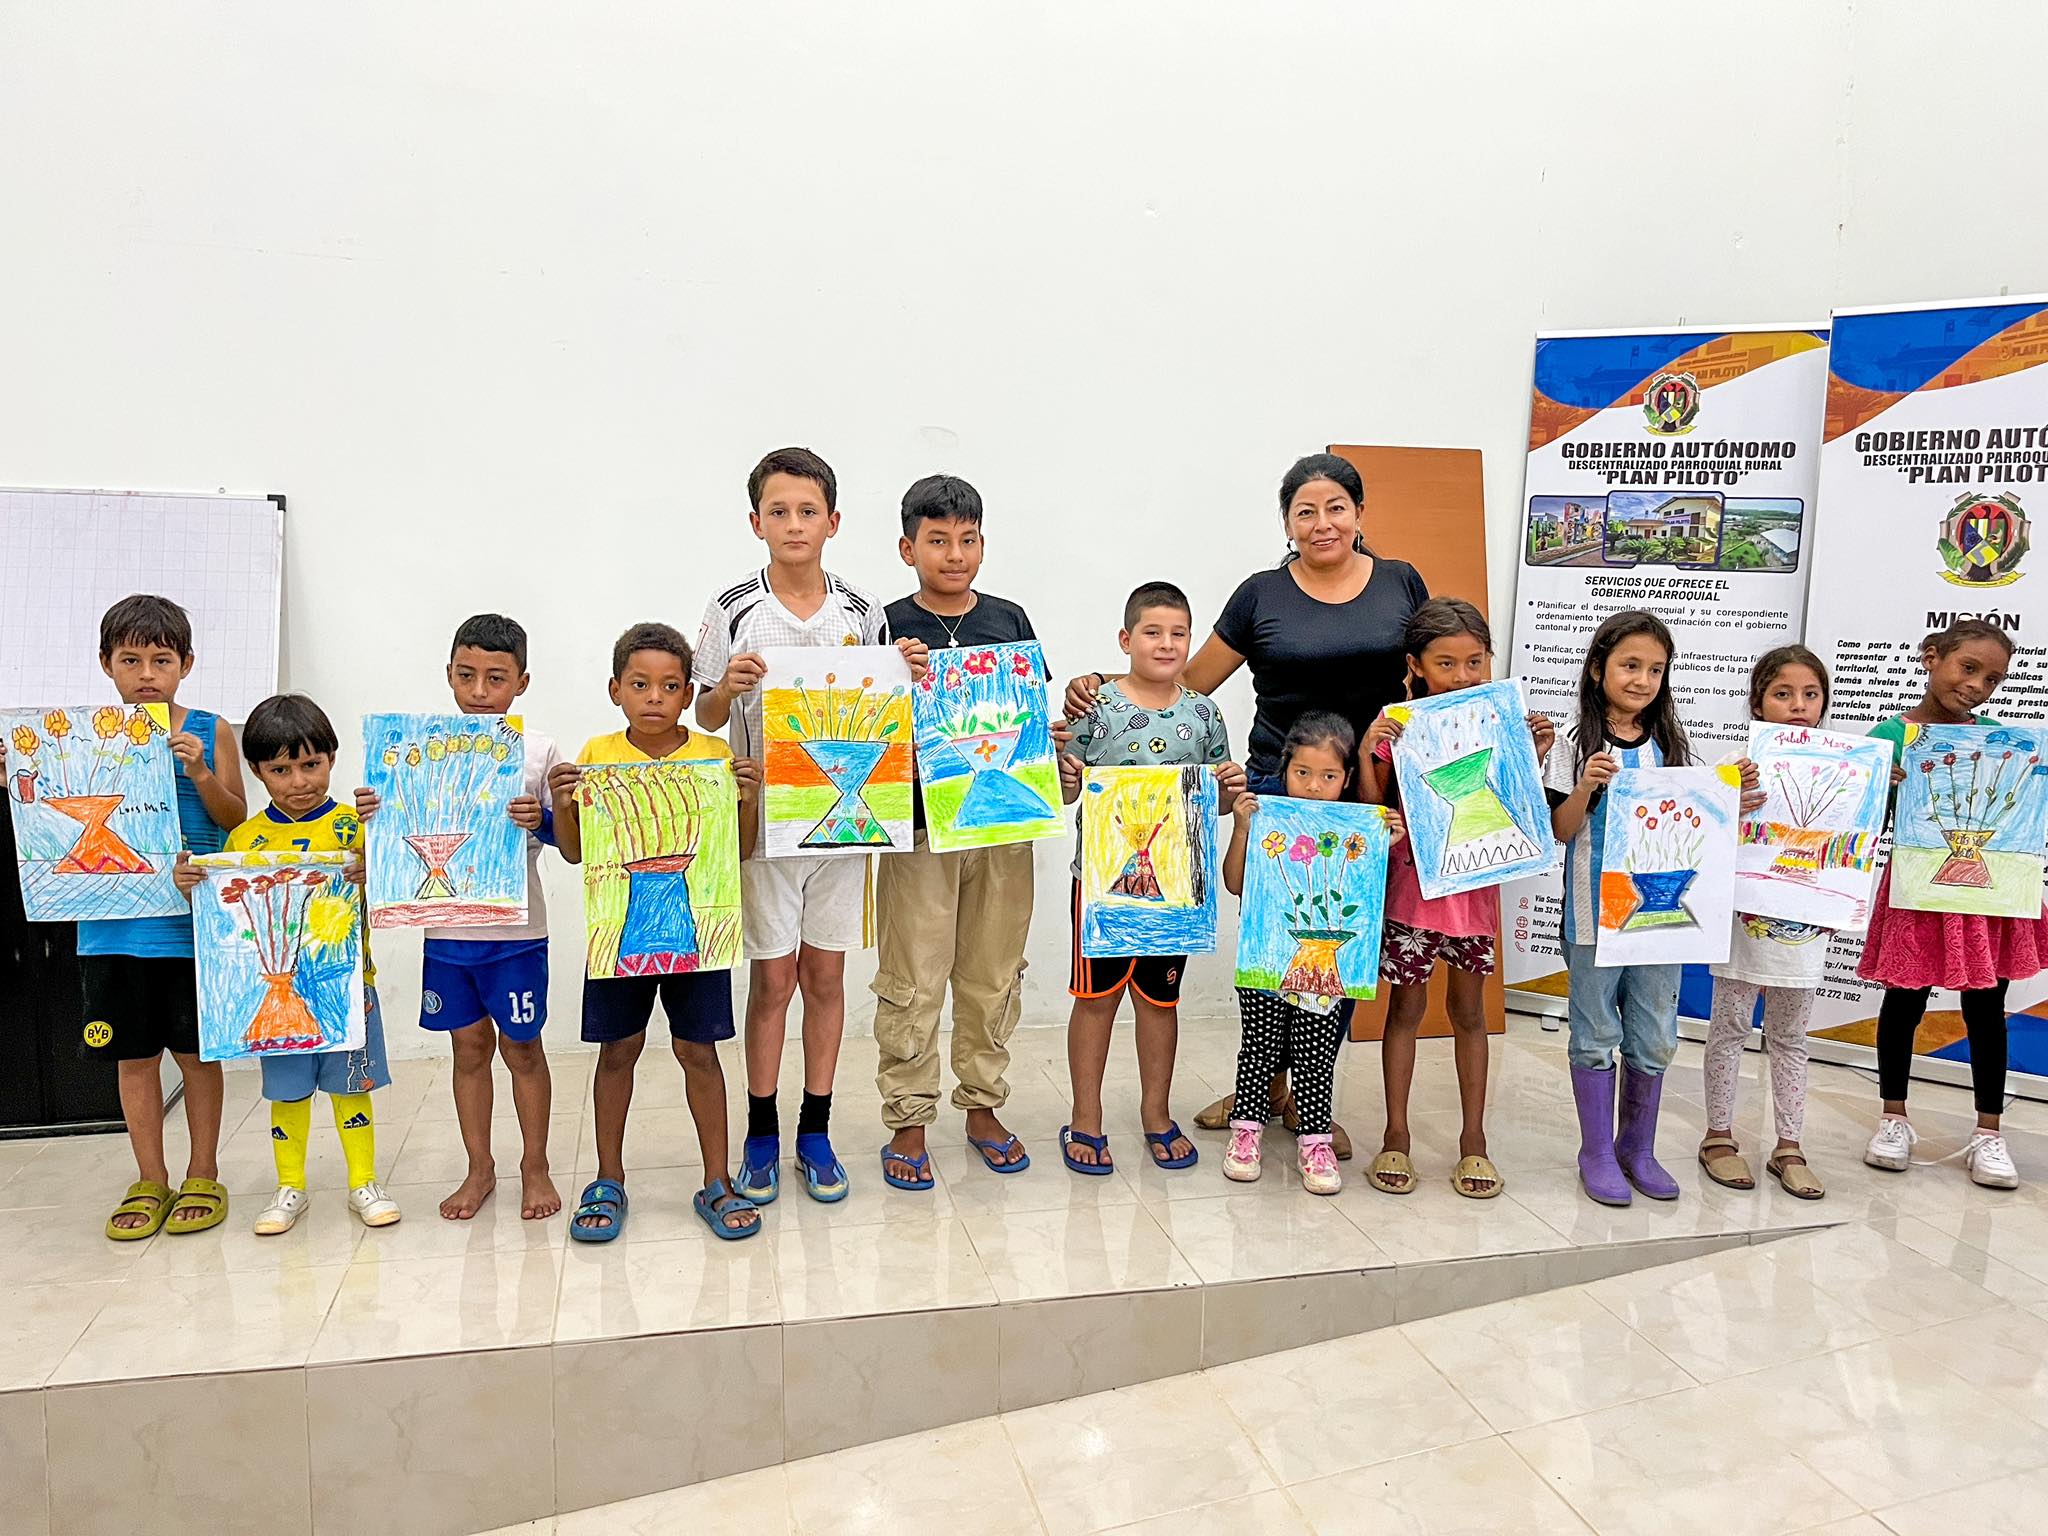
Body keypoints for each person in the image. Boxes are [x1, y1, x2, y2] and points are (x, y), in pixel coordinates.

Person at [1064, 454, 1428, 1153]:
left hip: (1363, 797)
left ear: (1359, 512)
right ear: (1287, 523)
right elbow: (1188, 679)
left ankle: (1311, 1101)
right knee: (1271, 952)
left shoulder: (1400, 582)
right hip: (1274, 794)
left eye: (1336, 507)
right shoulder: (1261, 594)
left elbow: (1434, 670)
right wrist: (1100, 684)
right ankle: (1266, 1089)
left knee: (1335, 947)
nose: (1322, 523)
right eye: (1305, 512)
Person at [692, 447, 928, 1205]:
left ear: (833, 521)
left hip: (847, 824)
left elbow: (889, 709)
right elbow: (703, 715)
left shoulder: (861, 610)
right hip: (765, 828)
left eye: (808, 511)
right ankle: (761, 1131)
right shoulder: (733, 608)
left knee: (826, 976)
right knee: (773, 979)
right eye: (779, 511)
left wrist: (907, 668)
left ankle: (815, 1130)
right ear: (755, 522)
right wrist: (725, 689)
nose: (794, 524)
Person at [553, 623, 765, 1241]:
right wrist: (564, 805)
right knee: (618, 1049)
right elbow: (575, 853)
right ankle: (608, 1177)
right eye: (640, 684)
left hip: (699, 933)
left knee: (699, 1050)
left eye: (671, 686)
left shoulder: (714, 756)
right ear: (615, 690)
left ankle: (716, 1179)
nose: (655, 697)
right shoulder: (596, 755)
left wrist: (748, 800)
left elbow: (737, 853)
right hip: (618, 928)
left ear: (688, 693)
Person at [353, 614, 567, 1221]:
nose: (479, 691)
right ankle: (480, 1168)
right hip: (447, 935)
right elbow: (391, 841)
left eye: (495, 678)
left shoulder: (539, 750)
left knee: (522, 1049)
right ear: (448, 674)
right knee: (468, 1050)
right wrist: (373, 814)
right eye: (467, 675)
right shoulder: (409, 752)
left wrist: (544, 820)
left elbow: (570, 838)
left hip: (517, 935)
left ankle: (535, 1167)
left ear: (521, 682)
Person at [874, 475, 1037, 1190]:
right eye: (938, 540)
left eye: (967, 540)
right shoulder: (883, 625)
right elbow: (861, 725)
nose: (955, 554)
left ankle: (983, 1106)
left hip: (1002, 827)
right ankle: (909, 1117)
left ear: (982, 544)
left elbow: (1026, 724)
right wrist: (893, 678)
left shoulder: (1009, 619)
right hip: (917, 830)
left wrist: (1057, 750)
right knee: (911, 977)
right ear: (907, 547)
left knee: (993, 973)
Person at [1359, 599, 1552, 1199]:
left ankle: (1475, 1142)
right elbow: (1372, 807)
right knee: (1405, 1012)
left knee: (1470, 1014)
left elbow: (1515, 802)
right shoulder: (1398, 724)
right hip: (1412, 895)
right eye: (1446, 663)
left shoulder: (1500, 720)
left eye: (1475, 661)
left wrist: (1532, 754)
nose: (1463, 676)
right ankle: (1395, 1135)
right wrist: (1369, 749)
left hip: (1472, 894)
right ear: (1415, 665)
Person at [185, 694, 399, 1234]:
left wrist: (375, 870)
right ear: (257, 771)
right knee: (286, 1091)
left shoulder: (356, 827)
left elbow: (396, 894)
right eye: (280, 770)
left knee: (352, 1086)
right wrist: (193, 886)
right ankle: (290, 1186)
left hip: (349, 987)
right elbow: (226, 916)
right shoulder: (244, 840)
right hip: (276, 995)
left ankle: (364, 1181)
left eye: (311, 764)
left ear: (332, 758)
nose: (299, 781)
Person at [72, 595, 249, 1240]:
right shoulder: (77, 738)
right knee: (134, 1058)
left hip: (190, 926)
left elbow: (237, 820)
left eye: (161, 660)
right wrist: (24, 781)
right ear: (106, 664)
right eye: (130, 660)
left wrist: (199, 771)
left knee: (197, 1054)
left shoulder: (209, 728)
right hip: (108, 928)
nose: (146, 673)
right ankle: (150, 1177)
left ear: (186, 664)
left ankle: (204, 1171)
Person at [1058, 581, 1245, 1175]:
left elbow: (1214, 804)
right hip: (1101, 886)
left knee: (1160, 1002)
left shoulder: (1204, 714)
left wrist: (1228, 789)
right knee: (1096, 1001)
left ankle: (1156, 1114)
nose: (1166, 644)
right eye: (1152, 632)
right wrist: (1064, 774)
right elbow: (1066, 790)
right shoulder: (1095, 708)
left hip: (1177, 886)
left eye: (1178, 634)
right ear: (1126, 639)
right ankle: (1086, 1119)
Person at [1859, 619, 2045, 1189]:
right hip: (1918, 888)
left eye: (1992, 679)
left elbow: (2019, 813)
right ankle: (1893, 1119)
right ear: (1931, 657)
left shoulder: (2002, 742)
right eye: (1968, 668)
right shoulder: (1890, 737)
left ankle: (1989, 1132)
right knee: (1904, 1001)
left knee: (1987, 1008)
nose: (1977, 686)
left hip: (1987, 893)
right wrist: (1881, 789)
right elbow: (1862, 824)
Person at [1544, 611, 1691, 1207]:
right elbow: (1560, 830)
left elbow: (1692, 821)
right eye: (1630, 665)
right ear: (1598, 668)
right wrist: (1585, 786)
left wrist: (1736, 793)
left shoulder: (1671, 744)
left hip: (1659, 919)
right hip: (1591, 916)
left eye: (1655, 670)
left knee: (1654, 1034)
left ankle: (1637, 1147)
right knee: (1595, 1032)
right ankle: (1597, 1151)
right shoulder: (1573, 741)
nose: (1642, 680)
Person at [1221, 712, 1401, 1194]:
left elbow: (1366, 902)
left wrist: (1383, 846)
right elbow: (1235, 882)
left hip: (1328, 968)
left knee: (1317, 1053)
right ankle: (1246, 1132)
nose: (1314, 787)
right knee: (1259, 1047)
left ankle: (1315, 1141)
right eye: (1302, 772)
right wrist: (1241, 829)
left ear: (1346, 778)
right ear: (1284, 769)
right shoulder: (1266, 818)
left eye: (1328, 776)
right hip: (1266, 959)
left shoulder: (1358, 829)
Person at [1698, 646, 1832, 1200]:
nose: (1798, 706)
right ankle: (1718, 1136)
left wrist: (1881, 789)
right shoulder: (1738, 766)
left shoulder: (1844, 769)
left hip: (1806, 924)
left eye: (1810, 695)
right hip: (1743, 921)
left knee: (1791, 1036)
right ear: (1758, 704)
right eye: (1783, 694)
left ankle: (1789, 1145)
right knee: (1729, 1027)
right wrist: (1731, 800)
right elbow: (1703, 833)